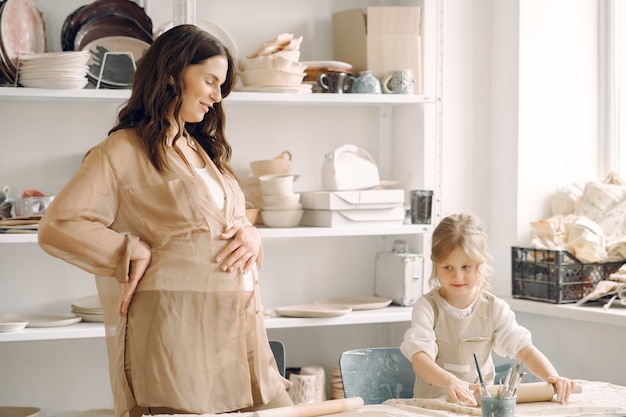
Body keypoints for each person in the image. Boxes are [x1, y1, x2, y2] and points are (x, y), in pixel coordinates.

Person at [38, 24, 292, 417]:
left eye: (221, 86)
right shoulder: (121, 150)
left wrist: (252, 235)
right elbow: (58, 225)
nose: (216, 96)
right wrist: (130, 247)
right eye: (210, 81)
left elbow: (223, 221)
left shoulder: (202, 149)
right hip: (175, 330)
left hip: (238, 329)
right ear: (173, 73)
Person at [400, 212, 577, 406]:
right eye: (447, 268)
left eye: (466, 267)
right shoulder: (427, 307)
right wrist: (450, 380)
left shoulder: (495, 308)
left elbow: (525, 351)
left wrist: (554, 378)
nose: (457, 277)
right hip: (433, 407)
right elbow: (419, 359)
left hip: (480, 408)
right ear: (435, 265)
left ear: (482, 261)